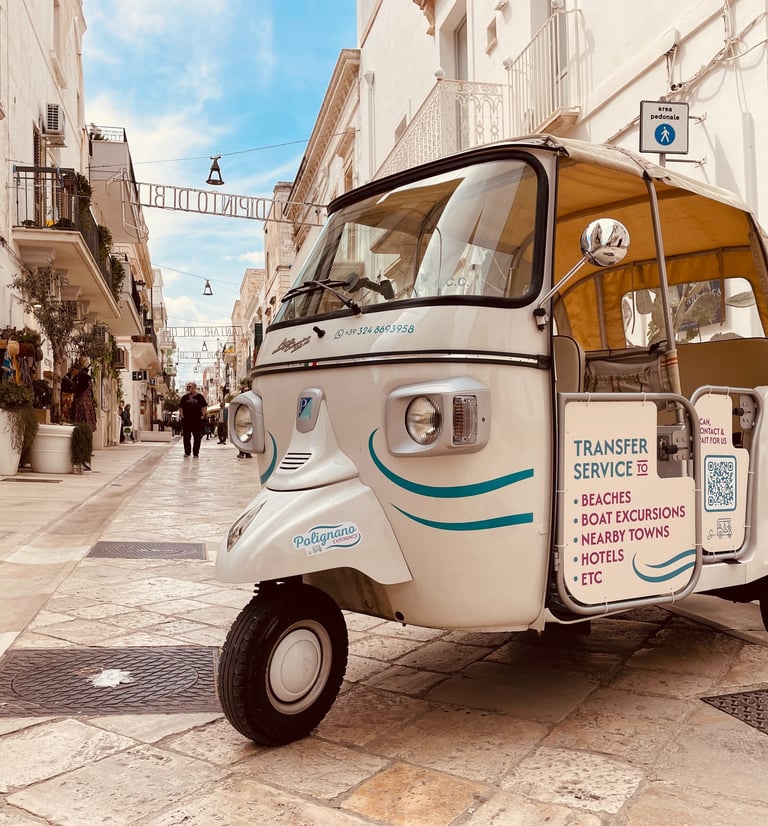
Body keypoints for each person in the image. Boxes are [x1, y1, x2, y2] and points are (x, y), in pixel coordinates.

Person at [71, 365, 96, 470]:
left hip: (82, 416)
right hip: (87, 414)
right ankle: (84, 458)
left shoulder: (80, 399)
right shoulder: (88, 398)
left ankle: (81, 458)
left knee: (81, 435)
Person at [178, 381, 208, 458]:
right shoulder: (184, 397)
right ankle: (187, 452)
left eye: (189, 387)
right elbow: (180, 407)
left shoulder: (200, 397)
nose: (188, 388)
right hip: (187, 420)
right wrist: (182, 416)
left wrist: (203, 415)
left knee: (197, 437)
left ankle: (196, 453)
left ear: (194, 387)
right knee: (186, 437)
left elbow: (204, 406)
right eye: (187, 387)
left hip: (197, 420)